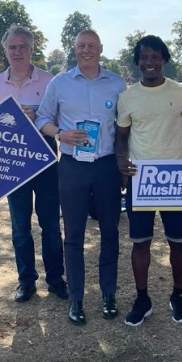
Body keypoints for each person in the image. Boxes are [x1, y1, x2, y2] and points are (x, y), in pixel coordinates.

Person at [115, 35, 182, 326]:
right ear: (137, 61)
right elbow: (121, 137)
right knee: (140, 243)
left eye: (155, 57)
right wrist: (122, 162)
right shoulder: (127, 97)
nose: (149, 63)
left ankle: (178, 295)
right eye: (144, 57)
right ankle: (142, 298)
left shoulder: (181, 93)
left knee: (178, 242)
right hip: (141, 179)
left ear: (165, 60)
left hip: (175, 179)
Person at [35, 29, 125, 325]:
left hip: (106, 165)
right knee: (73, 234)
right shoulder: (59, 83)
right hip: (72, 165)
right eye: (81, 46)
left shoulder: (116, 83)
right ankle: (76, 298)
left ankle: (109, 294)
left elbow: (126, 125)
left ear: (100, 49)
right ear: (74, 50)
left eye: (92, 46)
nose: (86, 50)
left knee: (110, 231)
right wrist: (61, 133)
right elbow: (42, 119)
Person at [0, 25, 67, 303]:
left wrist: (38, 117)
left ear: (32, 49)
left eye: (23, 46)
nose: (17, 52)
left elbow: (61, 121)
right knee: (20, 227)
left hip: (44, 159)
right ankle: (26, 281)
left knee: (51, 225)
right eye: (12, 47)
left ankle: (56, 279)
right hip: (13, 163)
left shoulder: (50, 81)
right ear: (4, 50)